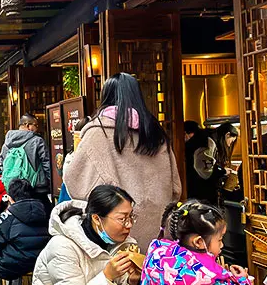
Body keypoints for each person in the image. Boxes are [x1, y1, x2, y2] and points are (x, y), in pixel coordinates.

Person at [64, 73, 182, 248]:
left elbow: (75, 183)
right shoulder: (156, 135)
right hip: (158, 236)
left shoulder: (98, 133)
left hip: (117, 235)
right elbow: (175, 188)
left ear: (105, 97)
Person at [33, 185, 140, 285]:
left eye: (131, 216)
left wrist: (130, 280)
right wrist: (107, 276)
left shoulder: (121, 243)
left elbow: (120, 279)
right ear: (96, 219)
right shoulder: (62, 247)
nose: (129, 224)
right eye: (122, 219)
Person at [142, 201, 250, 285]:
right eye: (220, 239)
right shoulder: (206, 275)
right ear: (199, 242)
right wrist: (242, 280)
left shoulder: (157, 252)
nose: (222, 245)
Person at [0, 179, 51, 285]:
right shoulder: (44, 211)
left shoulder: (8, 215)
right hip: (41, 261)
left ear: (10, 198)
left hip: (15, 265)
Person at [0, 114, 52, 212]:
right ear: (28, 125)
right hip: (37, 189)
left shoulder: (7, 143)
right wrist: (51, 184)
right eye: (35, 125)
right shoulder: (37, 141)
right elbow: (47, 164)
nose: (37, 128)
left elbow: (2, 164)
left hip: (14, 190)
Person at [185, 124, 232, 205]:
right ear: (227, 135)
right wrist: (223, 171)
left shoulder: (204, 138)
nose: (230, 144)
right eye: (232, 141)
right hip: (200, 192)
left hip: (193, 189)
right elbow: (204, 169)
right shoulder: (208, 142)